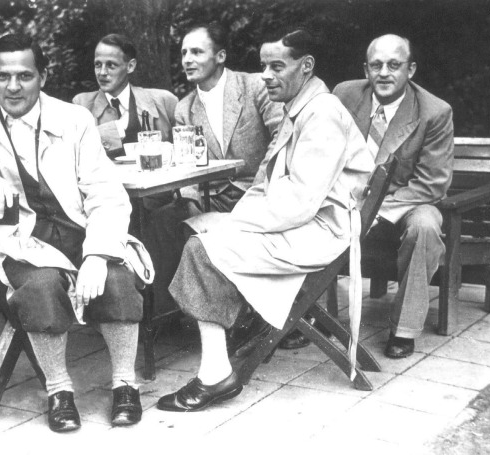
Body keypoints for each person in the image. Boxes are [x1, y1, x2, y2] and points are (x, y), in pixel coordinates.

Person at [0, 33, 144, 432]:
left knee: (117, 279)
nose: (13, 87)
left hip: (80, 230)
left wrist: (98, 255)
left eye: (24, 76)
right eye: (2, 76)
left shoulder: (74, 119)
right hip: (22, 240)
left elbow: (106, 193)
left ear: (43, 77)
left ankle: (125, 384)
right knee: (40, 286)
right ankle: (59, 390)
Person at [157, 29, 374, 412]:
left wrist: (232, 225)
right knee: (197, 233)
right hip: (306, 225)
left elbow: (299, 202)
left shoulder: (321, 113)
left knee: (201, 249)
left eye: (277, 66)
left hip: (320, 232)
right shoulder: (302, 107)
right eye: (263, 67)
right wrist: (231, 219)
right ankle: (233, 332)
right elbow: (270, 186)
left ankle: (215, 373)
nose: (266, 76)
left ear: (306, 66)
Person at [145, 22, 283, 332]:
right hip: (215, 197)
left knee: (206, 238)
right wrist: (191, 201)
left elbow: (281, 140)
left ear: (220, 56)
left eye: (196, 52)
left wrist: (258, 192)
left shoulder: (255, 87)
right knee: (162, 221)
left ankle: (241, 318)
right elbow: (187, 165)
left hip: (261, 194)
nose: (187, 60)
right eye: (184, 53)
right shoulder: (184, 109)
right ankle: (166, 317)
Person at [334, 34, 454, 359]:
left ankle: (404, 329)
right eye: (376, 65)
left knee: (425, 227)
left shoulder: (434, 112)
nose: (384, 73)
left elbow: (432, 184)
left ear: (410, 69)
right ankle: (305, 316)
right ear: (366, 69)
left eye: (394, 65)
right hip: (349, 196)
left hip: (407, 201)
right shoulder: (344, 95)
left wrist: (375, 211)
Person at [72, 33, 177, 159]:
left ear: (130, 66)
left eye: (111, 65)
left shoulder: (163, 101)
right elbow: (76, 150)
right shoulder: (83, 104)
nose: (102, 72)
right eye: (98, 64)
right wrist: (116, 129)